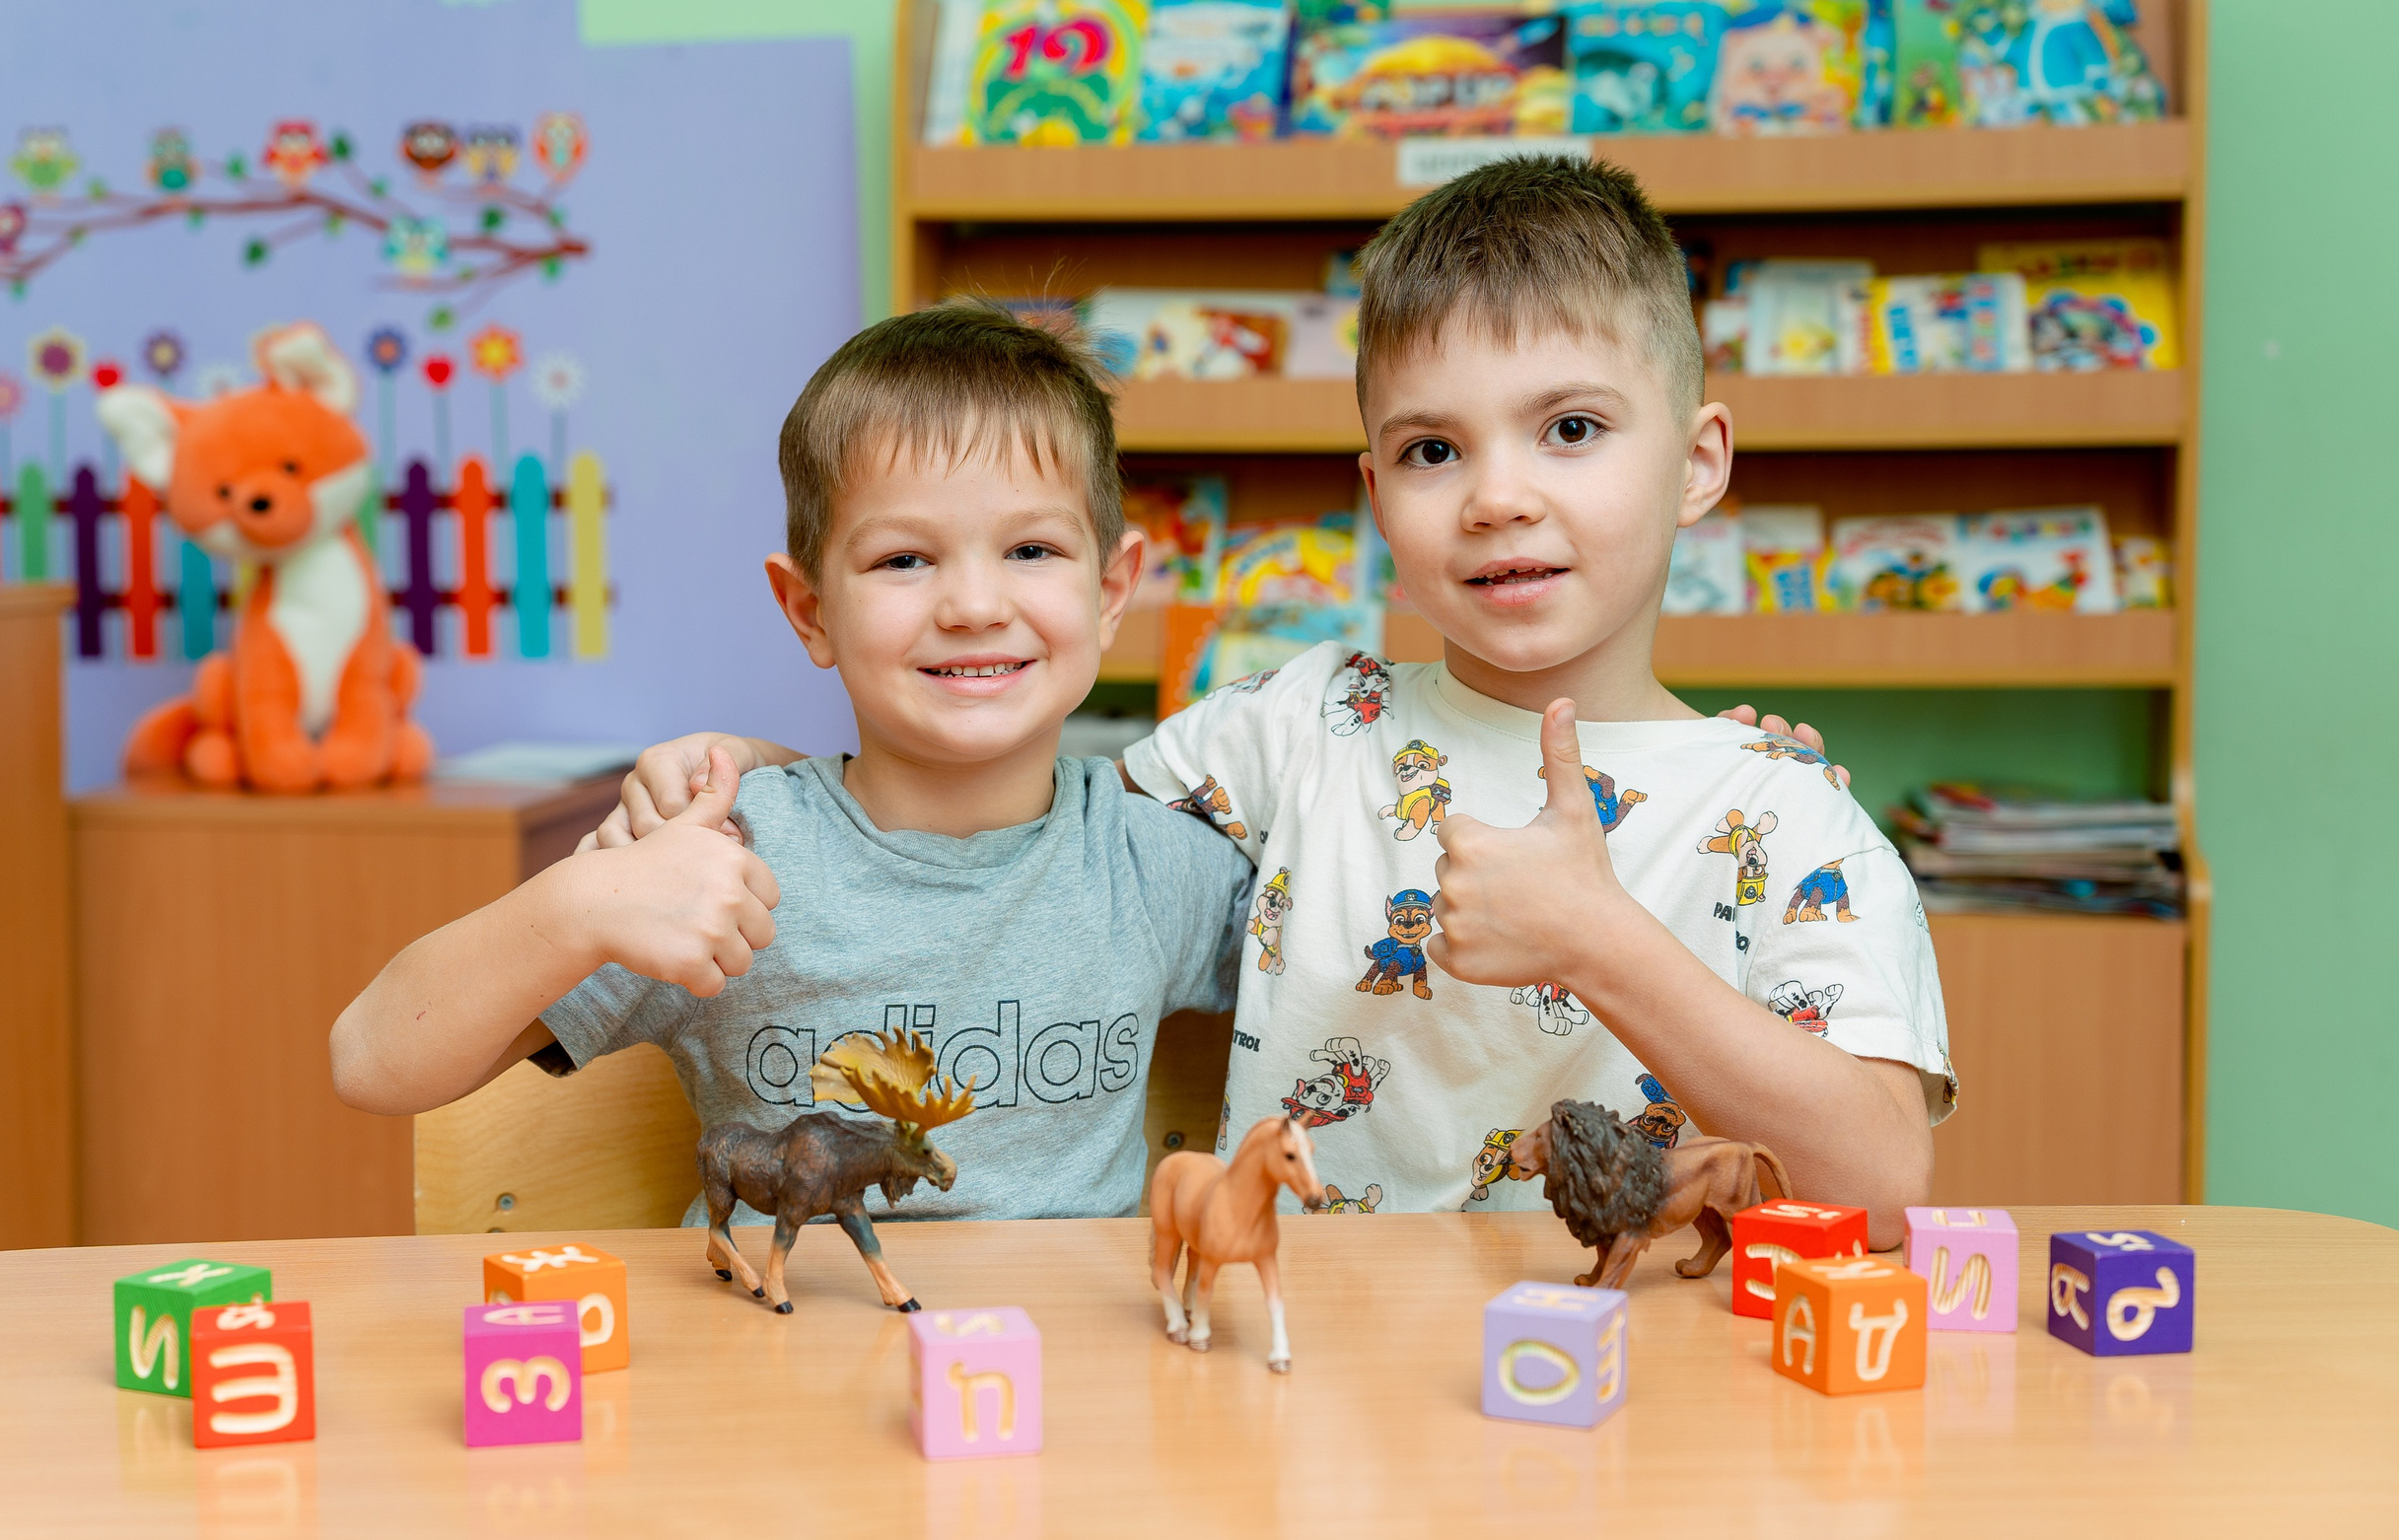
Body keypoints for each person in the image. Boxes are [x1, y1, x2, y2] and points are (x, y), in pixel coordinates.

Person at [607, 159, 1947, 1246]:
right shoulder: (1292, 726)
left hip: (1640, 1396)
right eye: (1434, 447)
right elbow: (999, 819)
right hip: (1294, 1391)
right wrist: (778, 777)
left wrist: (1601, 939)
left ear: (1700, 460)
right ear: (1376, 495)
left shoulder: (1790, 819)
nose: (1498, 494)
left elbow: (1885, 1185)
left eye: (1573, 429)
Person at [328, 303, 1253, 1223]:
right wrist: (580, 903)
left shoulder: (1151, 863)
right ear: (810, 610)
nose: (974, 603)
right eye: (903, 559)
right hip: (780, 1353)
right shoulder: (727, 855)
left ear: (1109, 591)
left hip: (1067, 1364)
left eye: (1030, 549)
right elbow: (368, 1060)